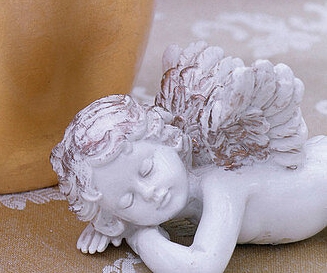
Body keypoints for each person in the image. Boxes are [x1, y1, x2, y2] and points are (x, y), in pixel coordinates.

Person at [51, 44, 327, 273]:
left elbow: (200, 267)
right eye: (127, 199)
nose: (150, 193)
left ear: (170, 141)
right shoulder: (187, 194)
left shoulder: (222, 182)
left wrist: (138, 234)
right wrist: (113, 224)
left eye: (147, 169)